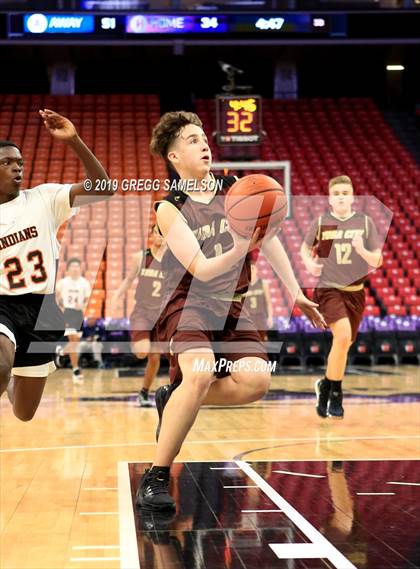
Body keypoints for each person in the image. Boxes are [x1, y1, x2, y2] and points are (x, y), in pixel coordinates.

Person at [135, 111, 326, 510]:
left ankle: (175, 398)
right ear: (173, 156)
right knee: (201, 372)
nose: (203, 143)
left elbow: (268, 240)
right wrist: (240, 249)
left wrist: (296, 293)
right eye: (191, 140)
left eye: (203, 137)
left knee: (256, 383)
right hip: (188, 304)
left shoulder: (235, 187)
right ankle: (155, 477)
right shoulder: (169, 208)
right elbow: (201, 268)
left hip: (235, 307)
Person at [0, 109, 110, 421]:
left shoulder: (44, 198)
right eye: (6, 162)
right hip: (3, 305)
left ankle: (8, 378)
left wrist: (74, 140)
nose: (16, 167)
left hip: (41, 311)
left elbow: (103, 189)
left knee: (24, 412)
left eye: (19, 161)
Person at [300, 175, 382, 420]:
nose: (341, 197)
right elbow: (304, 249)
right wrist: (309, 263)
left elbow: (377, 261)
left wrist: (361, 250)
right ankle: (336, 393)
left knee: (343, 344)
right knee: (343, 335)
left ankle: (325, 385)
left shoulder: (366, 223)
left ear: (353, 197)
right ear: (330, 199)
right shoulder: (321, 222)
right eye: (336, 194)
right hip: (328, 289)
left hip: (355, 293)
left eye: (345, 193)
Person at [112, 225, 166, 407]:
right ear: (151, 235)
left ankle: (144, 392)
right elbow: (128, 280)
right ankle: (136, 339)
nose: (160, 236)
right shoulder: (141, 257)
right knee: (143, 351)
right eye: (157, 232)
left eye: (163, 233)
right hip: (143, 311)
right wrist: (117, 295)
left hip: (161, 314)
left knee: (155, 357)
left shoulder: (173, 261)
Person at [56, 257, 92, 384]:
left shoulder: (84, 283)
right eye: (73, 266)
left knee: (75, 343)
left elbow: (87, 299)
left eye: (77, 266)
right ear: (68, 269)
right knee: (73, 339)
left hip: (78, 314)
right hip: (68, 313)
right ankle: (76, 369)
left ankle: (62, 352)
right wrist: (61, 307)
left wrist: (82, 306)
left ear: (80, 268)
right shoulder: (63, 282)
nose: (75, 268)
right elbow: (56, 295)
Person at [242, 258, 273, 342]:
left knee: (262, 340)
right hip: (248, 317)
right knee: (249, 341)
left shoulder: (263, 283)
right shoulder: (243, 285)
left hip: (260, 316)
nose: (251, 271)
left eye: (253, 268)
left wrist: (270, 317)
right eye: (249, 269)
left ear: (256, 269)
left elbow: (268, 302)